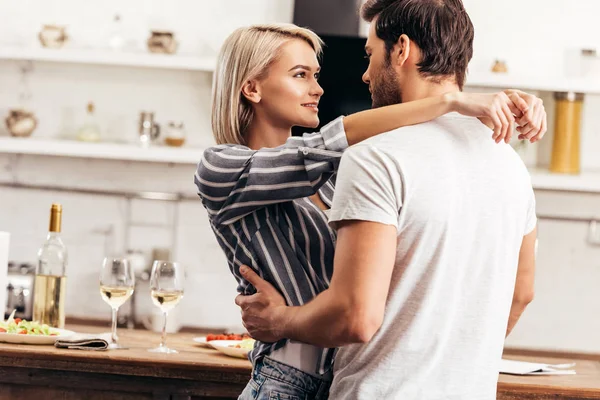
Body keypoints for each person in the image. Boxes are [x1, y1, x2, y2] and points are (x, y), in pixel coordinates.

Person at [196, 21, 545, 400]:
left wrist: (509, 100)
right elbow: (319, 148)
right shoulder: (220, 169)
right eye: (301, 75)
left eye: (316, 75)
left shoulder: (335, 177)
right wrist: (452, 101)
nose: (318, 88)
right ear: (251, 87)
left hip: (338, 378)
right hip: (284, 382)